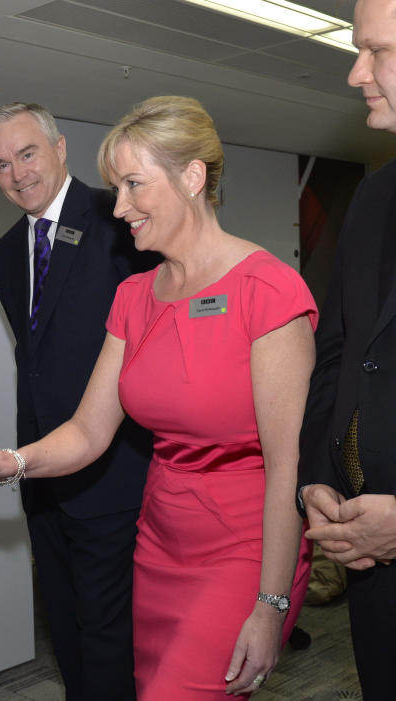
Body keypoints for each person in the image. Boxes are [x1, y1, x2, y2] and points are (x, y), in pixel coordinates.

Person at [0, 96, 315, 699]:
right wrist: (16, 461)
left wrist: (271, 602)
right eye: (115, 186)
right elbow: (89, 429)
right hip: (158, 543)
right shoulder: (134, 294)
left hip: (242, 549)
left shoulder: (269, 290)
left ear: (192, 176)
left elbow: (290, 468)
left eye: (133, 184)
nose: (120, 206)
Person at [0, 102, 152, 700]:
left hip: (113, 473)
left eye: (27, 154)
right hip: (43, 477)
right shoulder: (4, 254)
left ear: (59, 149)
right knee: (67, 628)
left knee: (111, 637)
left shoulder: (119, 220)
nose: (17, 173)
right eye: (1, 164)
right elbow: (38, 363)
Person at [298, 0, 396, 697]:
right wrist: (314, 475)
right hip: (370, 565)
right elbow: (336, 353)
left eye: (378, 51)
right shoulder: (372, 198)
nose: (356, 71)